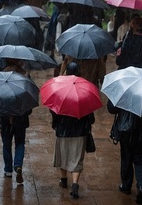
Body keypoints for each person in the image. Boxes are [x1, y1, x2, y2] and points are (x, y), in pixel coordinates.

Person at [113, 14, 142, 204]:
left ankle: (126, 184)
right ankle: (141, 185)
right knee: (140, 157)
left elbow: (119, 62)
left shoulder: (128, 39)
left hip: (128, 87)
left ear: (131, 26)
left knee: (126, 155)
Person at [51, 62, 95, 199]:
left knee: (63, 156)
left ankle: (63, 180)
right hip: (80, 133)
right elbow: (91, 119)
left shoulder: (59, 89)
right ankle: (75, 184)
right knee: (77, 159)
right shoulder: (85, 90)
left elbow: (53, 111)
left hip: (62, 131)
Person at [0, 59, 31, 184]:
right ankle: (18, 165)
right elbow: (29, 100)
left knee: (6, 144)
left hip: (4, 117)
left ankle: (8, 170)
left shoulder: (0, 77)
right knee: (20, 142)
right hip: (20, 117)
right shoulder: (25, 77)